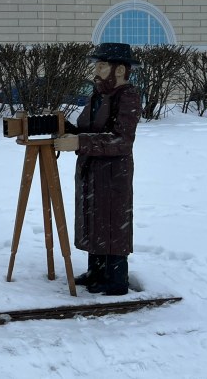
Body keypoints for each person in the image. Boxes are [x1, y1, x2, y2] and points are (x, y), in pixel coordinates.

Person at [54, 42, 142, 296]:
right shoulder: (97, 96)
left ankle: (115, 279)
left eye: (102, 65)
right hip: (91, 170)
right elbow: (89, 129)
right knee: (94, 219)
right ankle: (96, 271)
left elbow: (122, 141)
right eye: (96, 65)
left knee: (113, 222)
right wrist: (67, 130)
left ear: (120, 70)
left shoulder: (127, 97)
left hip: (114, 173)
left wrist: (80, 142)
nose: (96, 70)